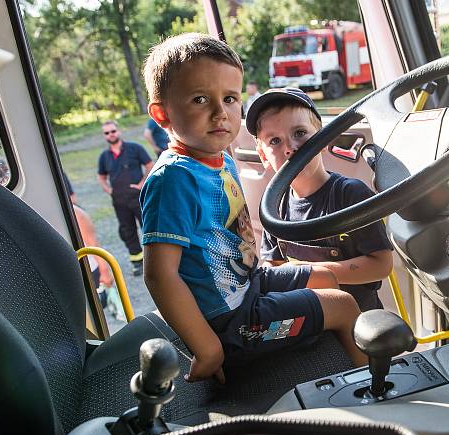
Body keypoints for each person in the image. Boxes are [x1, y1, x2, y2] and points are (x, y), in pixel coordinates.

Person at [139, 33, 368, 384]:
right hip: (233, 324)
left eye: (230, 98)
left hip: (250, 284)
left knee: (327, 276)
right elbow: (159, 274)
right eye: (200, 99)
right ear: (162, 114)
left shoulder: (219, 159)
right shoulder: (174, 179)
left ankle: (340, 357)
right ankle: (373, 389)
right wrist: (207, 348)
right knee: (343, 305)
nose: (220, 113)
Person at [246, 87, 394, 312]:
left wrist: (312, 273)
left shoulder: (349, 194)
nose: (290, 148)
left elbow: (381, 264)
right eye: (275, 141)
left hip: (358, 317)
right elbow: (273, 263)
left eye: (299, 133)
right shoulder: (273, 206)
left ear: (323, 139)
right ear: (263, 156)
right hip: (306, 314)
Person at [96, 120, 153, 276]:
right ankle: (137, 262)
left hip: (139, 197)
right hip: (120, 202)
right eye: (107, 133)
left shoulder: (135, 148)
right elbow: (101, 176)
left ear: (118, 131)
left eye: (113, 131)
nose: (110, 134)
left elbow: (149, 164)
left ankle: (155, 261)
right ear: (104, 136)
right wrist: (109, 190)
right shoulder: (104, 156)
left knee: (148, 227)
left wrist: (142, 183)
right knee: (127, 231)